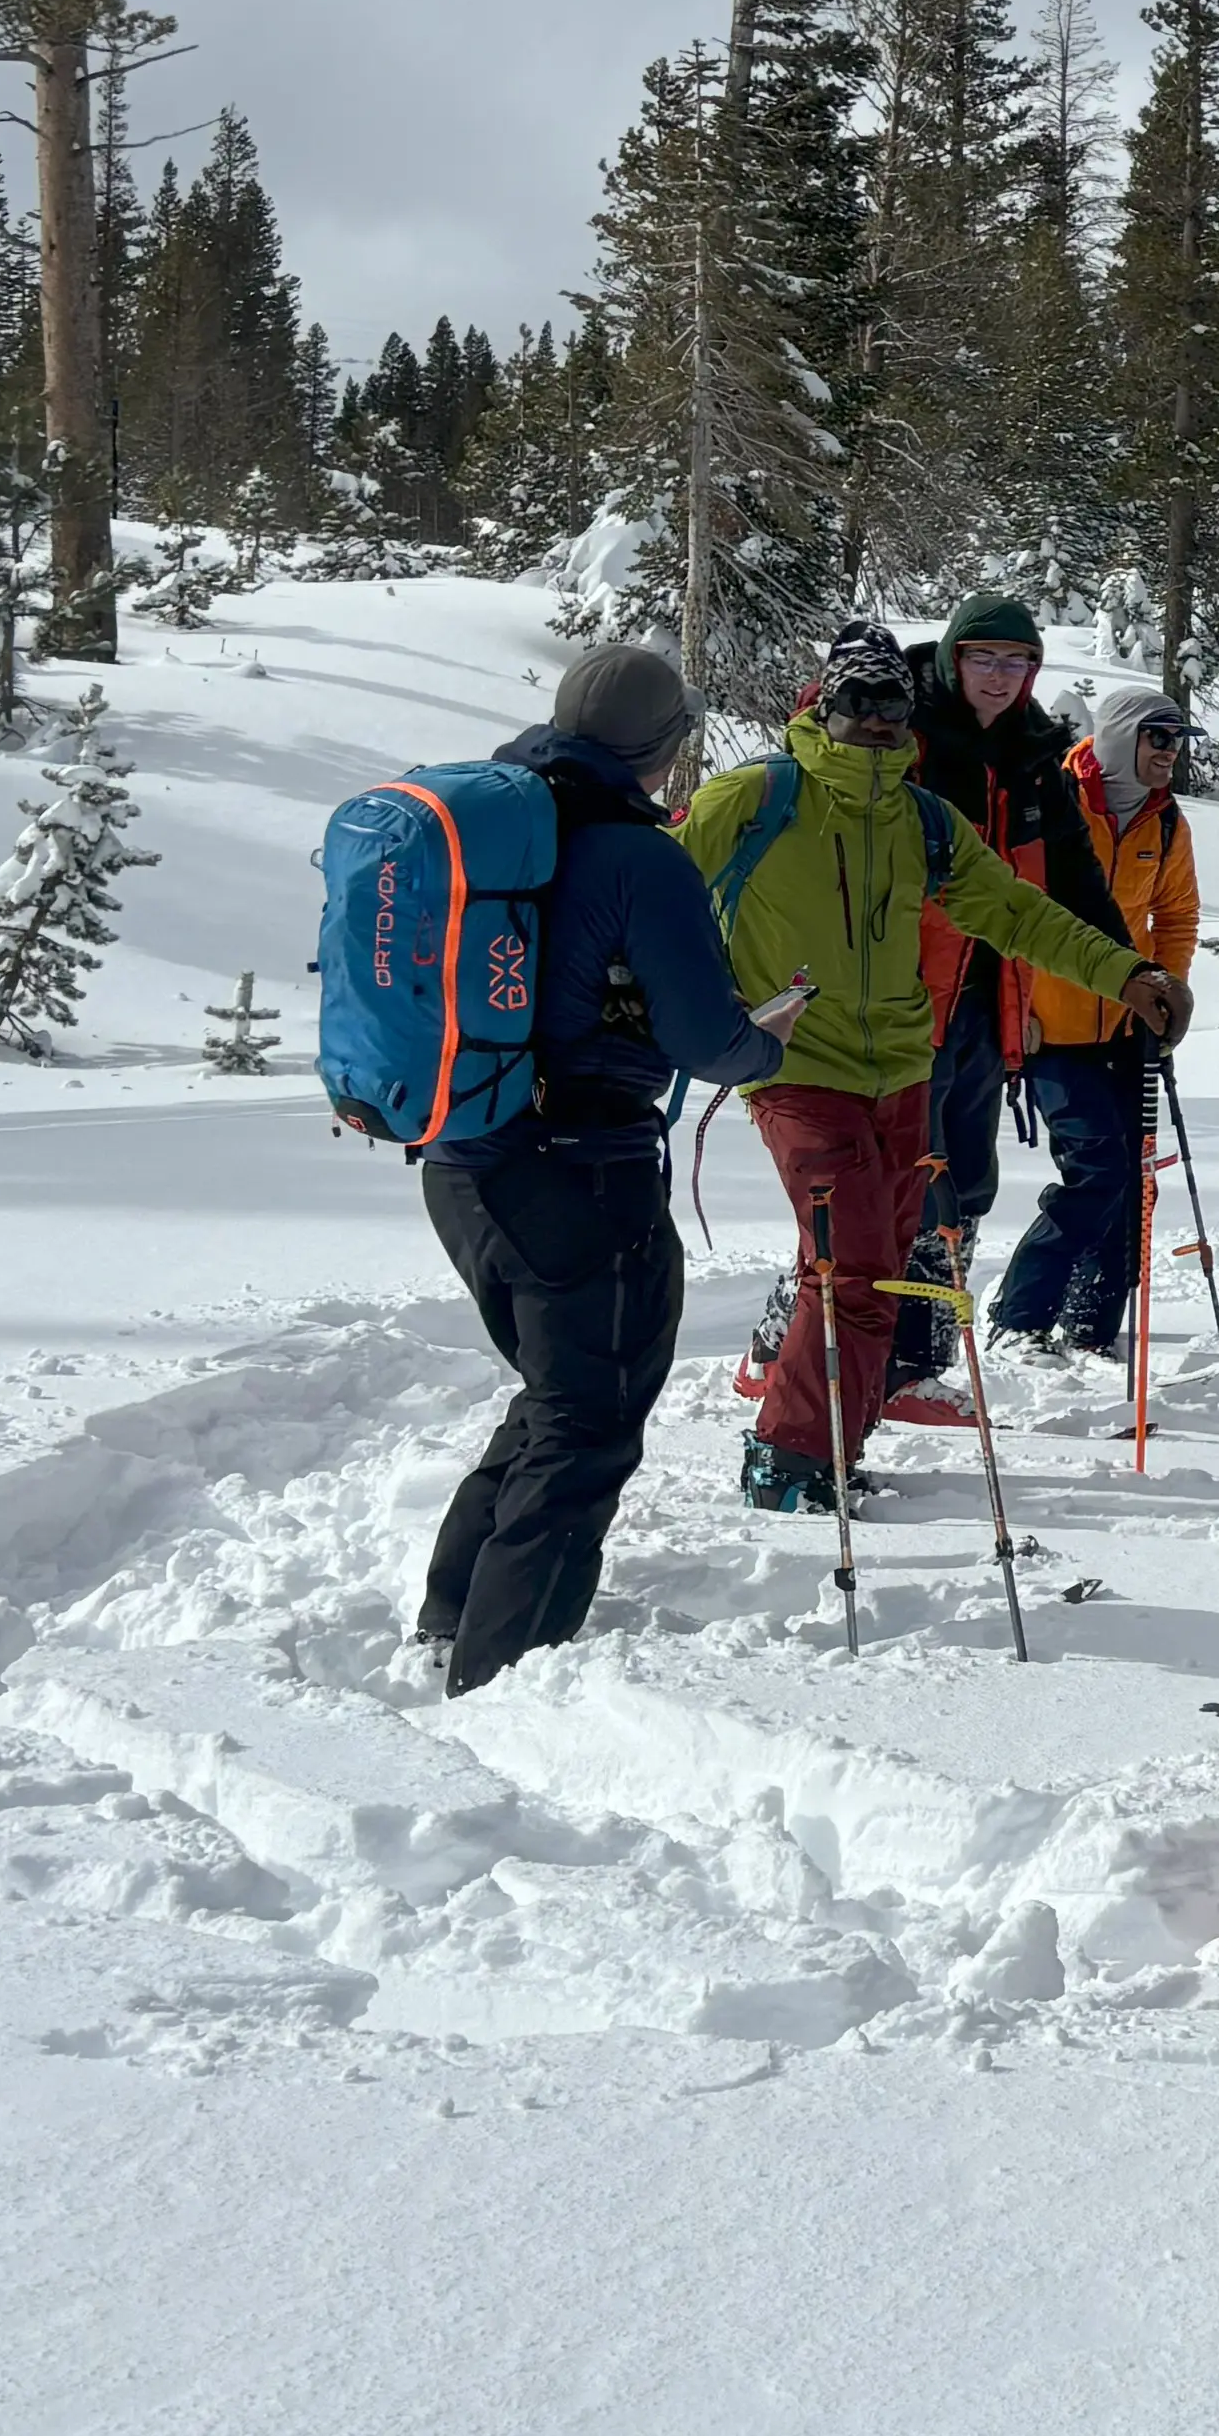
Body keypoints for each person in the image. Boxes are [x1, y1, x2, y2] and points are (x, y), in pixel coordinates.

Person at [683, 624, 1184, 1509]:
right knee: (853, 1268)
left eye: (891, 706)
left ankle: (837, 1434)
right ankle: (791, 1455)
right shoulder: (758, 796)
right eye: (858, 703)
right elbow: (656, 889)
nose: (877, 720)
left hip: (905, 1070)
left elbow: (1021, 914)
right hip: (796, 1068)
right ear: (823, 707)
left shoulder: (923, 819)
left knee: (878, 1268)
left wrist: (1128, 972)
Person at [407, 641, 809, 1688]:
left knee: (558, 1391)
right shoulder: (637, 856)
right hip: (579, 1167)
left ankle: (454, 1613)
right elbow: (707, 1039)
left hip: (461, 1155)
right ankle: (504, 1673)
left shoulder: (495, 828)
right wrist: (771, 1040)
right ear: (667, 748)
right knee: (591, 1412)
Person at [906, 590, 1126, 1347]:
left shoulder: (1033, 759)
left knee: (967, 1179)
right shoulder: (907, 743)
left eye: (1018, 662)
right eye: (983, 659)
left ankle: (925, 1351)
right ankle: (858, 1349)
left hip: (988, 1000)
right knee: (908, 1181)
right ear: (952, 658)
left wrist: (1131, 976)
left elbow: (1075, 880)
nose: (1000, 677)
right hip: (904, 1002)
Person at [990, 687, 1202, 1365]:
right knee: (1099, 1171)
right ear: (1120, 738)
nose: (1169, 751)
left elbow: (1175, 918)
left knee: (1134, 1177)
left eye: (1177, 739)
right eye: (1156, 736)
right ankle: (1020, 1319)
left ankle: (1091, 1330)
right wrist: (1013, 1007)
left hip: (1124, 1030)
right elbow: (1007, 913)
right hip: (1051, 1030)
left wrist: (1165, 993)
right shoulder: (1054, 801)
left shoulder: (1166, 823)